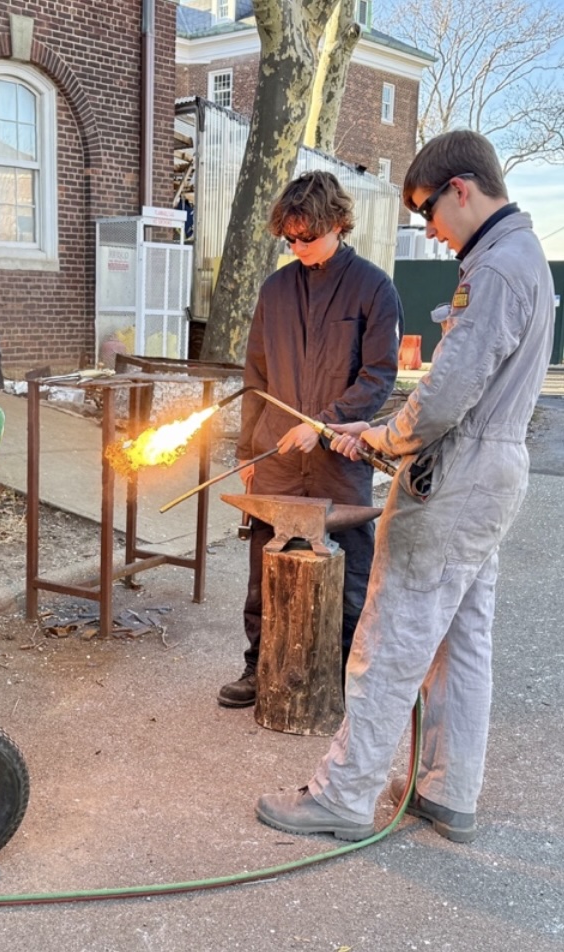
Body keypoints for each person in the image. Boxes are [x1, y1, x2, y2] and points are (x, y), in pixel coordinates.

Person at [255, 130, 555, 842]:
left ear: (461, 188)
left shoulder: (499, 268)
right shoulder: (521, 258)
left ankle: (343, 796)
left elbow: (446, 392)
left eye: (428, 211)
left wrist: (382, 437)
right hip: (489, 473)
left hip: (457, 478)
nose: (430, 229)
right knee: (461, 639)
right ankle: (449, 790)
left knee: (389, 639)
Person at [218, 170, 403, 708]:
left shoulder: (373, 287)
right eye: (290, 238)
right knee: (266, 565)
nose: (297, 247)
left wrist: (322, 423)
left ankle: (343, 673)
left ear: (339, 224)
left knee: (347, 568)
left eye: (308, 237)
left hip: (337, 457)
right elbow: (256, 377)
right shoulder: (275, 290)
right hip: (276, 453)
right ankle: (260, 666)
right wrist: (249, 450)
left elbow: (378, 376)